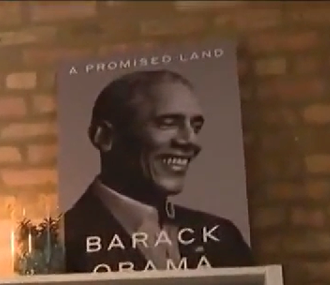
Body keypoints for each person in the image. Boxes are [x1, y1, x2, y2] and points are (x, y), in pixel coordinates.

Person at [63, 70, 253, 273]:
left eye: (195, 127)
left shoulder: (223, 236)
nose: (191, 141)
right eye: (168, 123)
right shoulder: (64, 241)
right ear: (104, 137)